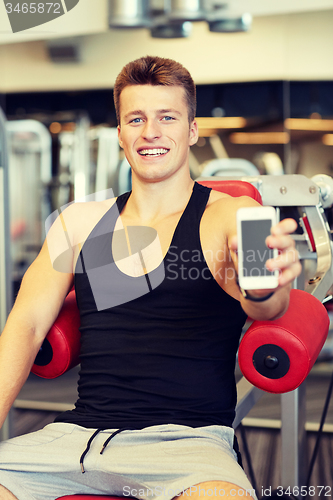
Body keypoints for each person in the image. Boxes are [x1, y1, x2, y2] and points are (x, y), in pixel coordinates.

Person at [0, 56, 301, 500]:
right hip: (74, 440)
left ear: (192, 130)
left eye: (167, 117)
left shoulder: (233, 215)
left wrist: (266, 287)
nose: (151, 132)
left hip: (186, 446)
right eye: (135, 119)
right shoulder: (78, 223)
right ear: (120, 133)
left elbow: (265, 303)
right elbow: (25, 328)